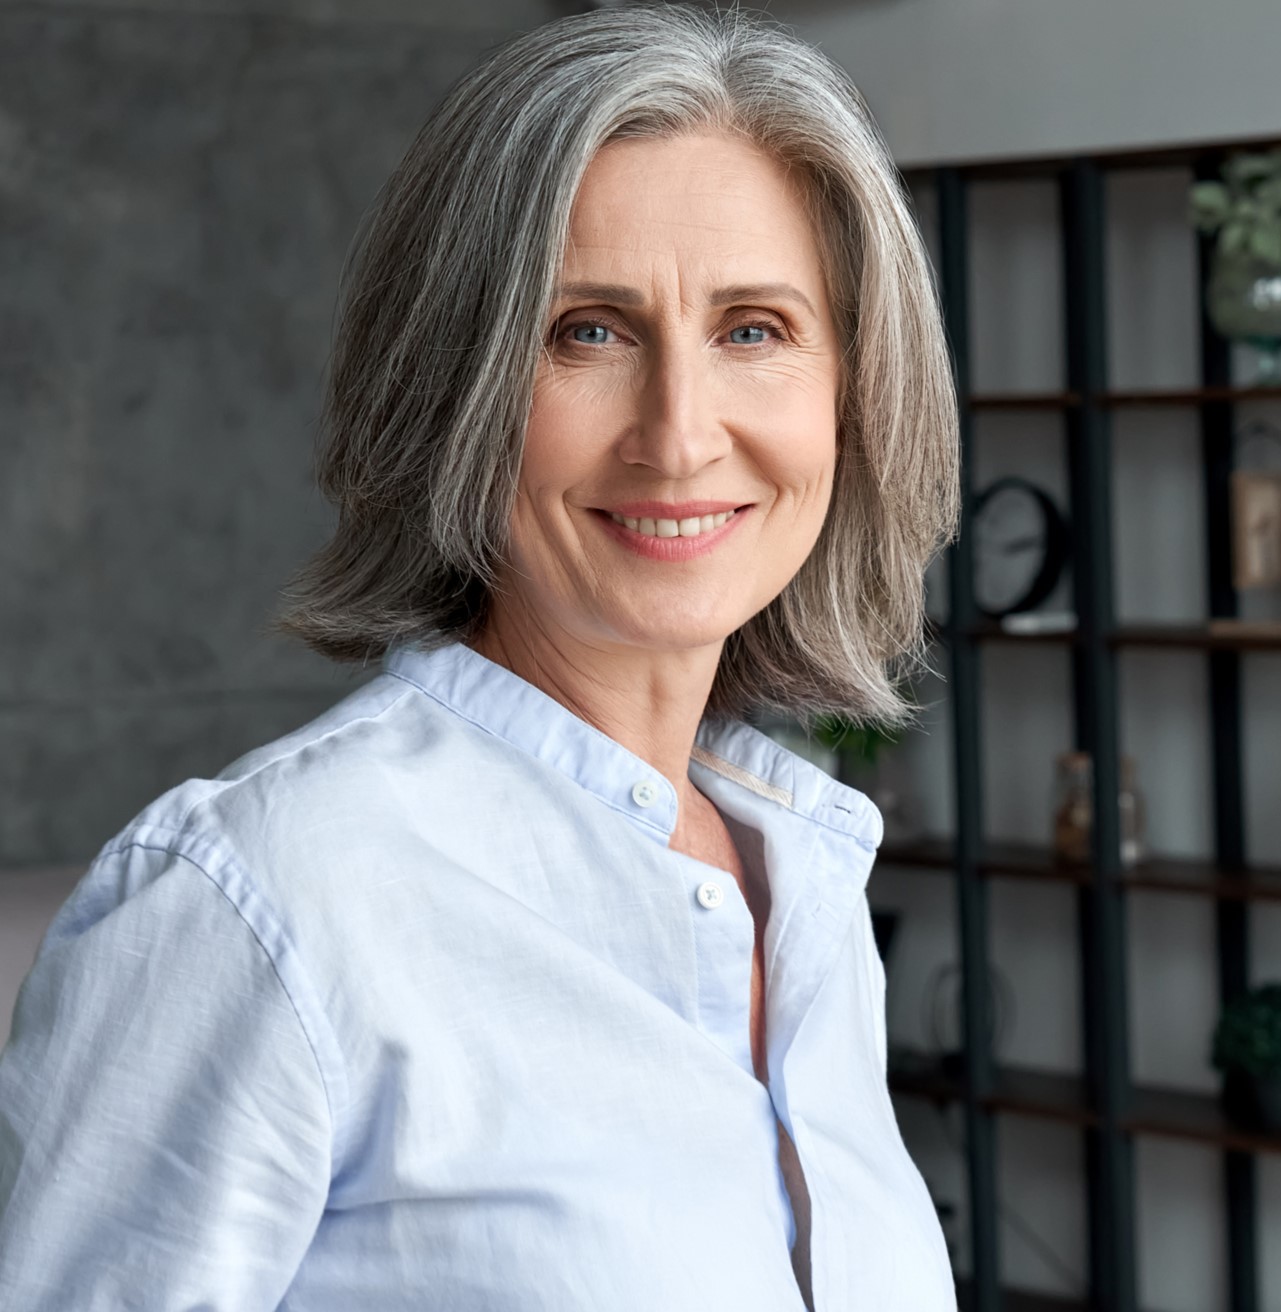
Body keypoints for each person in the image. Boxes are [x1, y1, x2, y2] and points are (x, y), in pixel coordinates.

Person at [0, 6, 960, 1309]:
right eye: (587, 331)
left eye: (754, 329)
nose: (680, 437)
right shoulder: (261, 905)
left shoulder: (804, 886)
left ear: (853, 392)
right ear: (454, 386)